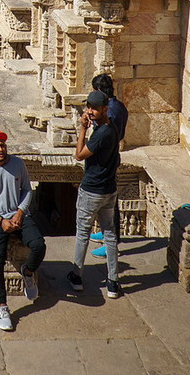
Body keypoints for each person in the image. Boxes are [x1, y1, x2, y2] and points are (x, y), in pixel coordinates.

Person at [0, 130, 45, 332]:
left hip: (19, 215)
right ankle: (2, 306)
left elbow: (27, 190)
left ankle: (28, 272)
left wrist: (20, 212)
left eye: (2, 145)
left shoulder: (18, 164)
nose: (0, 149)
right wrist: (0, 220)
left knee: (39, 245)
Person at [67, 90, 122, 298]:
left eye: (94, 108)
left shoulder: (101, 134)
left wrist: (82, 129)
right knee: (109, 234)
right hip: (109, 190)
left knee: (82, 233)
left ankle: (76, 276)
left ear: (104, 109)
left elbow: (79, 155)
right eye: (88, 107)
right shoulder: (112, 128)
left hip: (92, 190)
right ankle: (113, 281)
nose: (89, 111)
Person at [89, 74, 127, 258]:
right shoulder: (120, 106)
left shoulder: (108, 113)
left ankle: (112, 244)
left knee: (109, 202)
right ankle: (105, 234)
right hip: (112, 154)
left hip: (106, 158)